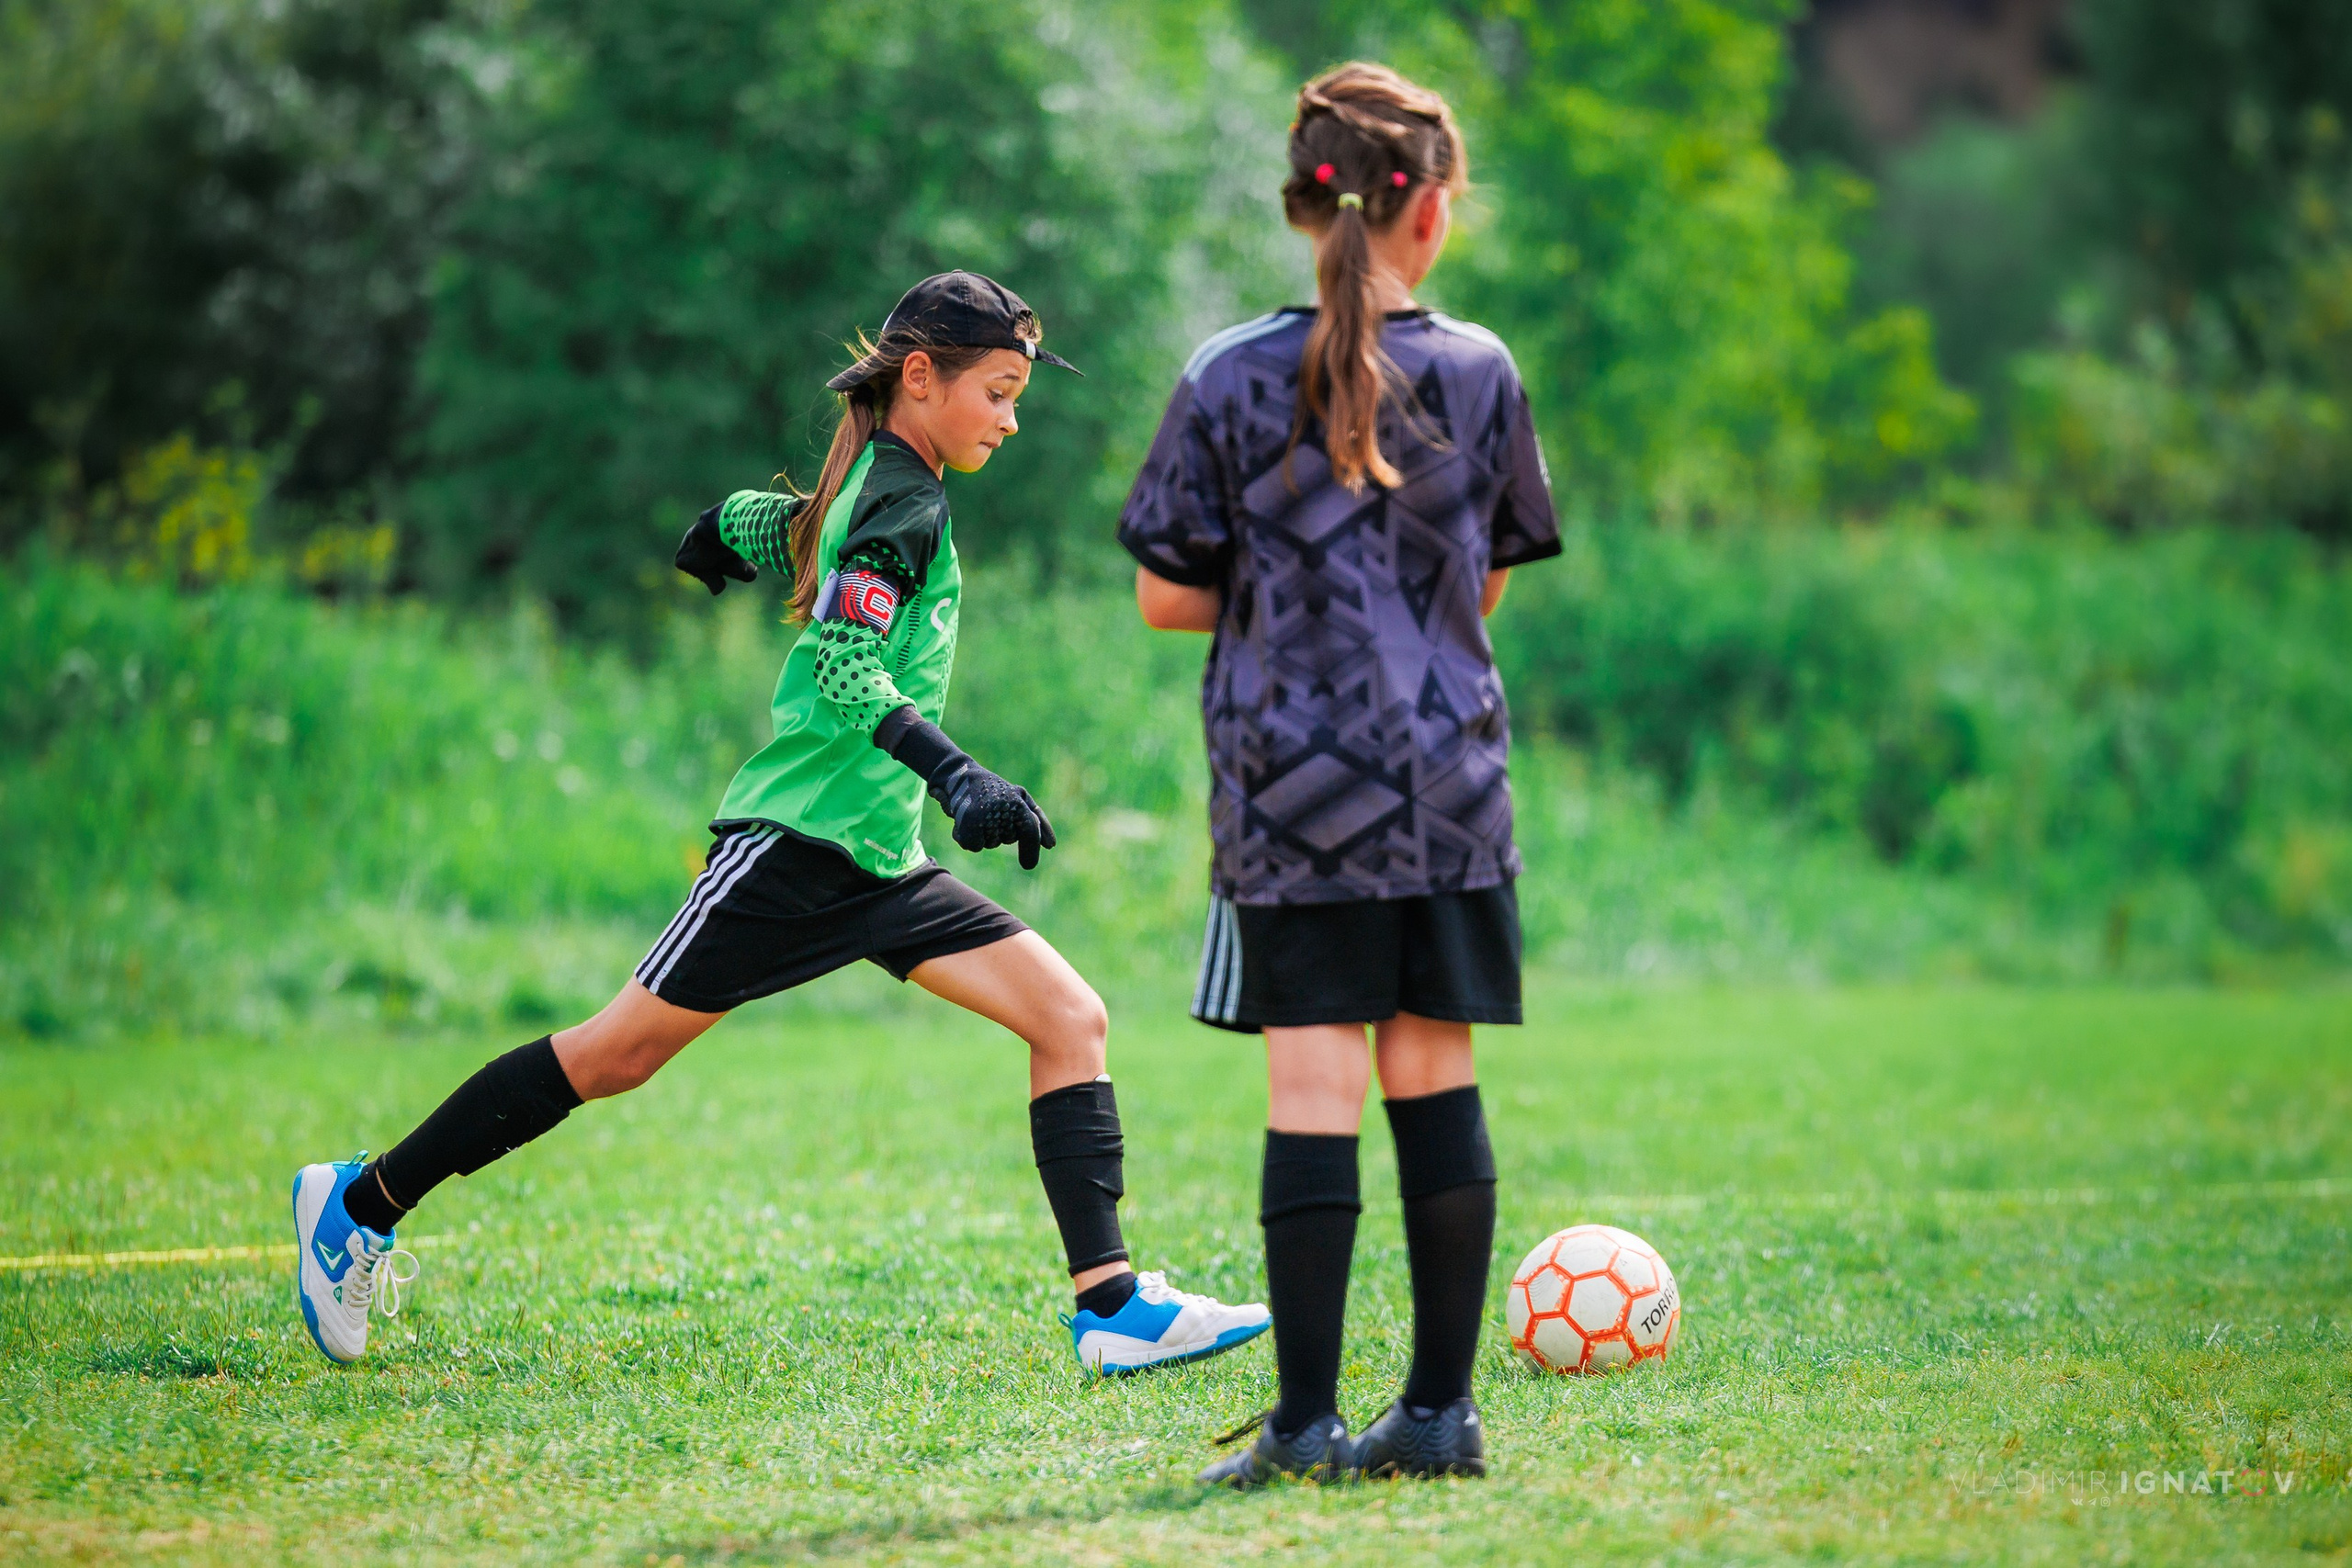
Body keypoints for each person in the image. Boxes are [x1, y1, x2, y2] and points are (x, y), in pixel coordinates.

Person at [293, 271, 1269, 1379]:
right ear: (920, 378)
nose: (1010, 417)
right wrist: (958, 777)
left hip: (876, 860)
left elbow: (809, 527)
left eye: (1015, 395)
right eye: (997, 391)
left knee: (1069, 1016)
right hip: (793, 846)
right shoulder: (904, 494)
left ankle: (1110, 1309)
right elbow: (851, 668)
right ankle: (358, 1207)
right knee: (612, 1058)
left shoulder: (884, 477)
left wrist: (730, 525)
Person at [1119, 65, 1561, 1485]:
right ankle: (1437, 1414)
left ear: (1308, 206)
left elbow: (1163, 595)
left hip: (1290, 791)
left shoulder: (1228, 373)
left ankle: (1304, 1425)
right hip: (1447, 782)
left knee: (1312, 1080)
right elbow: (1484, 589)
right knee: (1436, 1072)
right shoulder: (1482, 371)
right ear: (1428, 208)